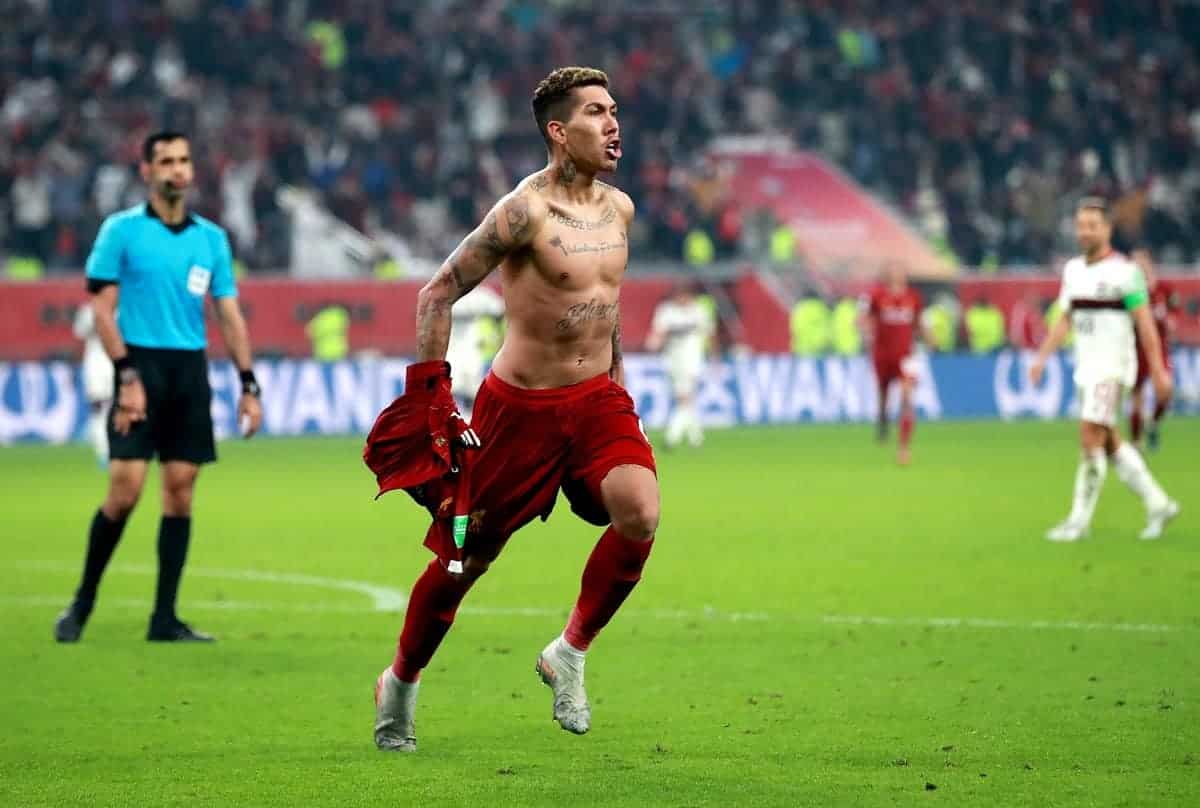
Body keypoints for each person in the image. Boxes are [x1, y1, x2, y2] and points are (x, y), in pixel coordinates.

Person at [365, 67, 658, 752]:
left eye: (614, 110)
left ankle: (570, 652)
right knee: (465, 562)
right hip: (519, 412)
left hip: (596, 404)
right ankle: (400, 682)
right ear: (559, 131)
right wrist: (431, 397)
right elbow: (436, 292)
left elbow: (606, 306)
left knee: (640, 511)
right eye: (595, 112)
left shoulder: (621, 209)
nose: (614, 124)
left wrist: (618, 380)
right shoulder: (523, 212)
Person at [53, 132, 263, 644]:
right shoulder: (120, 231)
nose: (177, 169)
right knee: (124, 492)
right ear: (146, 169)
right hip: (138, 363)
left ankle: (163, 618)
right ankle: (82, 602)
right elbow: (102, 311)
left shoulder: (211, 238)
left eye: (184, 161)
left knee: (180, 492)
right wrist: (127, 377)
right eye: (166, 161)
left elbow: (228, 315)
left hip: (188, 372)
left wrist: (248, 382)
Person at [1031, 199, 1179, 542]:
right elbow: (1065, 318)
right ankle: (1159, 504)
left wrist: (1158, 371)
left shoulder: (1125, 273)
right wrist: (1041, 358)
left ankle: (1078, 522)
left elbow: (1145, 325)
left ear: (1107, 229)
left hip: (1112, 369)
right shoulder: (1073, 271)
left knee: (1088, 439)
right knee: (1110, 441)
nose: (1084, 231)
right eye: (1081, 225)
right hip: (1086, 367)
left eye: (1092, 225)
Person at [860, 262, 925, 465]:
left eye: (901, 272)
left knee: (907, 399)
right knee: (883, 394)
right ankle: (882, 421)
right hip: (882, 354)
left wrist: (929, 337)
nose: (898, 275)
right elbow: (863, 317)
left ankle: (904, 449)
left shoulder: (913, 297)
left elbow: (918, 323)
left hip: (906, 356)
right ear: (887, 275)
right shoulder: (876, 296)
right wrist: (865, 330)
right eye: (894, 272)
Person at [646, 282, 713, 449]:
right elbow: (658, 334)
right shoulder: (666, 311)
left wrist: (714, 356)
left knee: (685, 398)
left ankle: (671, 438)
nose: (683, 298)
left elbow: (710, 333)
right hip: (673, 361)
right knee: (686, 400)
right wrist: (653, 344)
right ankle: (696, 438)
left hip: (692, 360)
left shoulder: (699, 311)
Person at [1128, 247, 1178, 451]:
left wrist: (1171, 322)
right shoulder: (1131, 292)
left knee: (1166, 390)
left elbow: (1174, 311)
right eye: (1134, 263)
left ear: (1149, 263)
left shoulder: (1164, 288)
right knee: (1137, 396)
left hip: (1159, 348)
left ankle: (1154, 423)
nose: (1138, 267)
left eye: (1141, 262)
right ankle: (1137, 442)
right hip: (1137, 349)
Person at [73, 302, 113, 465]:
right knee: (99, 408)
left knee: (121, 407)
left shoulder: (125, 309)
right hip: (96, 365)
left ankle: (121, 449)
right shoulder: (88, 311)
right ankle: (103, 450)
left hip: (118, 363)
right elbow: (80, 333)